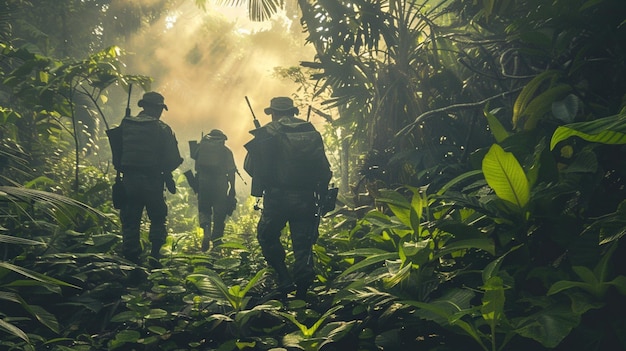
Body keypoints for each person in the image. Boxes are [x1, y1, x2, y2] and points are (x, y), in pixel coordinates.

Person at [244, 96, 332, 300]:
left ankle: (284, 278)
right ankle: (302, 292)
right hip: (306, 197)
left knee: (267, 236)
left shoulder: (267, 132)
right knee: (303, 244)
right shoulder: (311, 131)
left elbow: (250, 166)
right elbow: (323, 168)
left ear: (273, 113)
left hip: (277, 198)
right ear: (293, 112)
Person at [116, 91, 182, 265]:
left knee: (131, 220)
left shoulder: (126, 124)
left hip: (129, 180)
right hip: (153, 181)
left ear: (143, 106)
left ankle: (131, 260)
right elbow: (173, 158)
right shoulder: (162, 128)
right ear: (156, 108)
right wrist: (164, 172)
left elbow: (117, 152)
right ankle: (154, 256)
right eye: (160, 108)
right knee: (158, 217)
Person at [190, 129, 237, 251]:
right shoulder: (226, 151)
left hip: (204, 183)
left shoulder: (200, 149)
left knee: (204, 210)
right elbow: (231, 172)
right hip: (220, 184)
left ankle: (206, 231)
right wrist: (232, 188)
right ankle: (217, 244)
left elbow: (197, 169)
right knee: (219, 214)